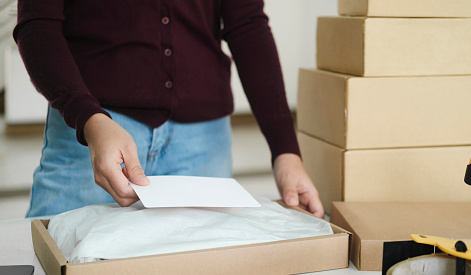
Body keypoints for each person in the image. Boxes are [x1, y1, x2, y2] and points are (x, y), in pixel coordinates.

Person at [14, 0, 324, 218]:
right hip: (93, 135)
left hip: (202, 146)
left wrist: (286, 152)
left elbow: (248, 25)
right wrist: (89, 120)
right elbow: (37, 23)